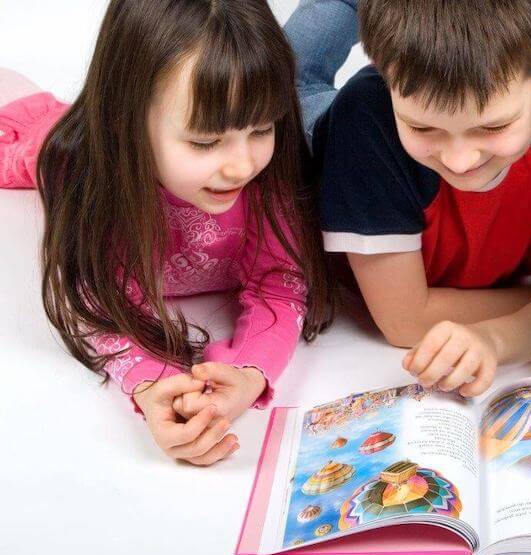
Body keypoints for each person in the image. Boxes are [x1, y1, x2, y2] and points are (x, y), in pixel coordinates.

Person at [0, 0, 333, 465]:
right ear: (128, 122)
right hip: (57, 145)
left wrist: (249, 373)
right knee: (25, 130)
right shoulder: (85, 175)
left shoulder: (267, 173)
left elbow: (281, 282)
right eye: (204, 141)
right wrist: (155, 384)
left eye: (261, 128)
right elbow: (104, 300)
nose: (241, 164)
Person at [284, 0, 531, 397]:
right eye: (423, 126)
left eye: (494, 125)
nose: (460, 159)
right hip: (328, 128)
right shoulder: (361, 115)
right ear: (382, 67)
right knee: (291, 87)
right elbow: (404, 322)